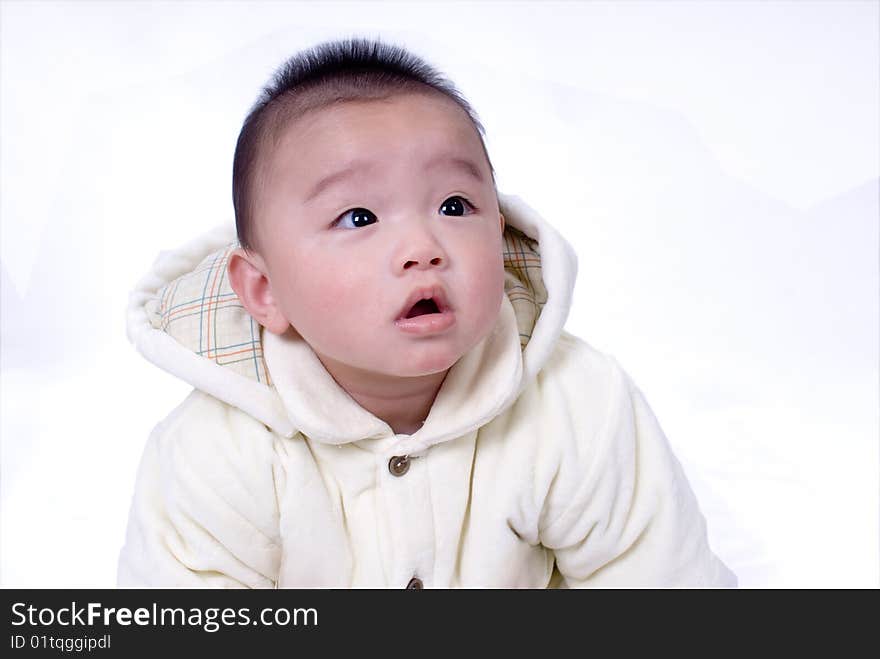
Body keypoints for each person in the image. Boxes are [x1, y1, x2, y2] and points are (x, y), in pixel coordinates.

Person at [118, 37, 737, 588]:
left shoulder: (579, 404)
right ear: (264, 290)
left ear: (499, 232)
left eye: (454, 205)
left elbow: (657, 576)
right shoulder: (216, 449)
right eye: (358, 217)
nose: (422, 249)